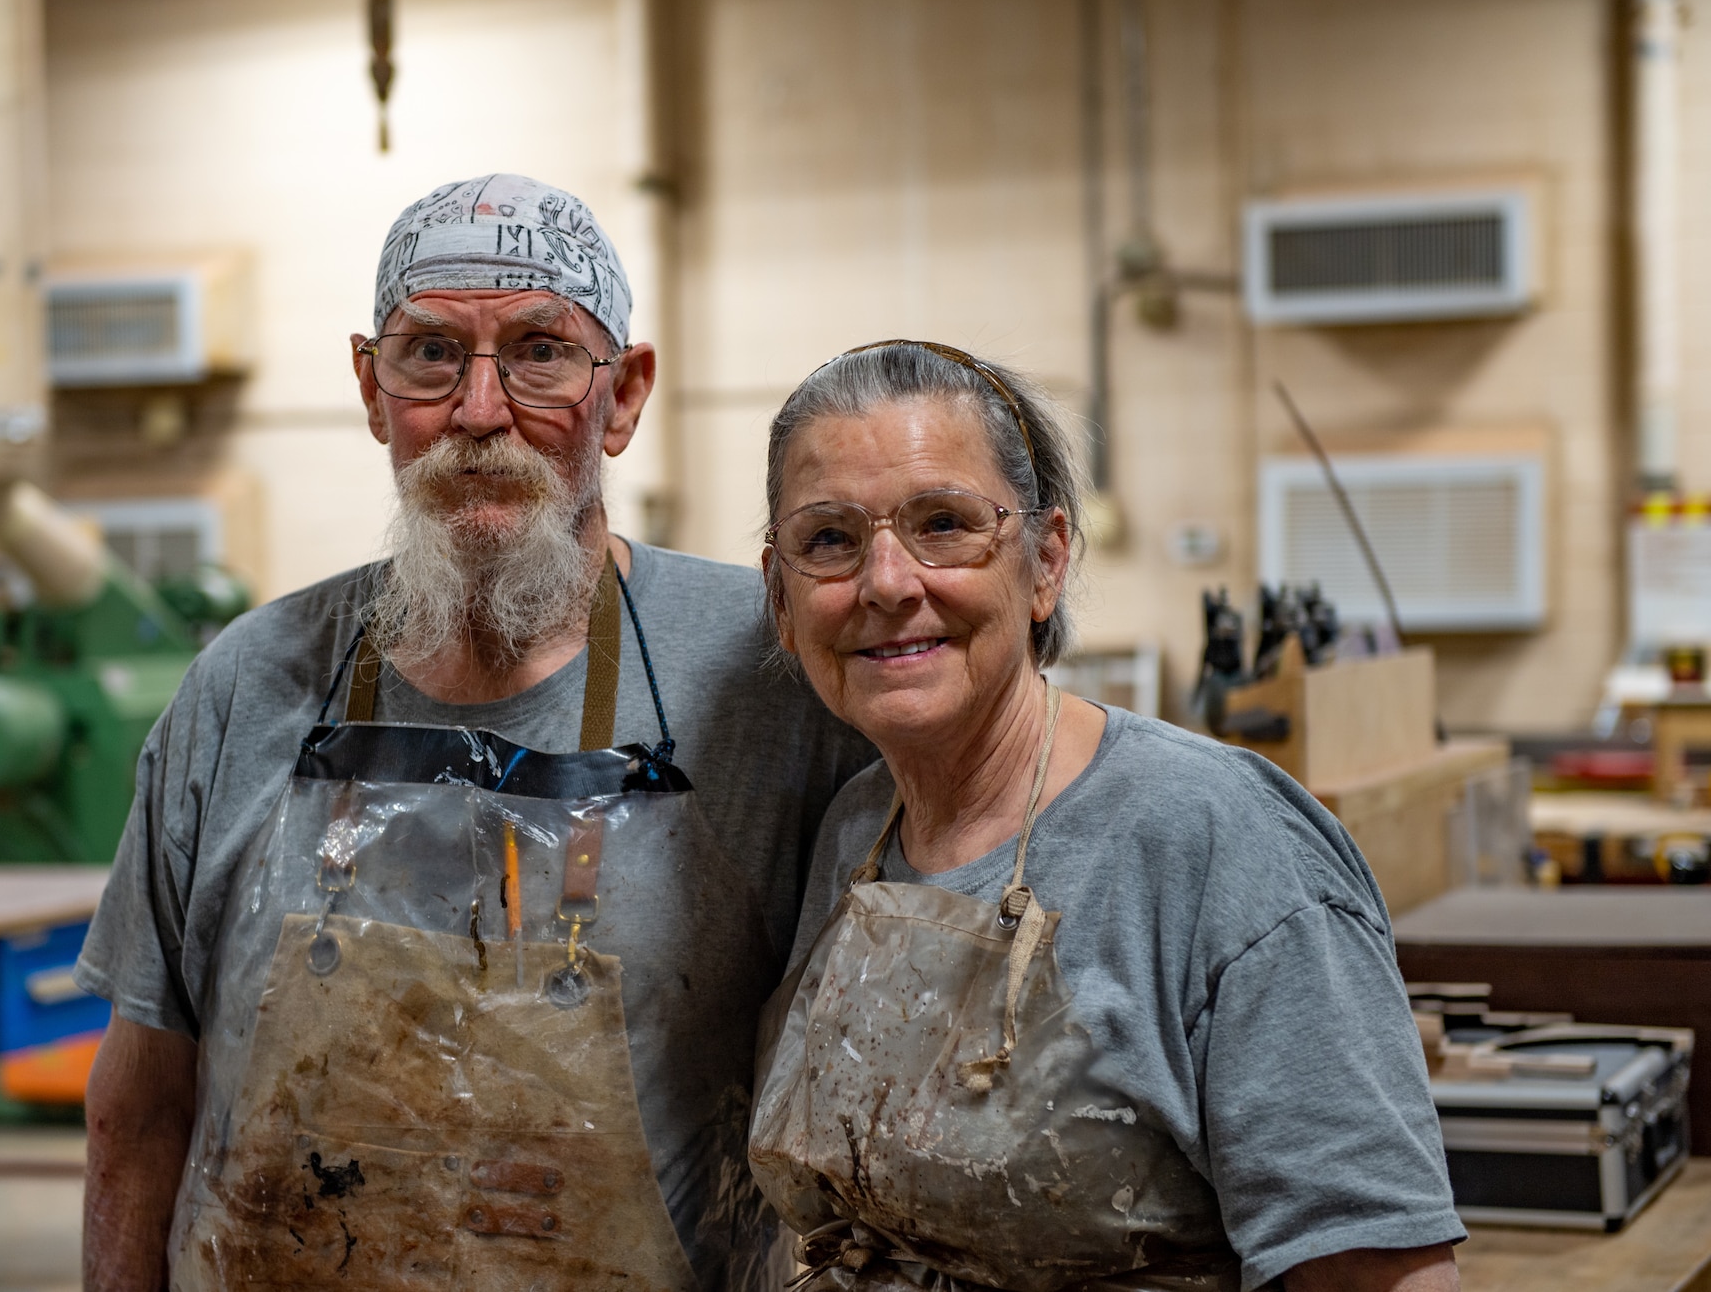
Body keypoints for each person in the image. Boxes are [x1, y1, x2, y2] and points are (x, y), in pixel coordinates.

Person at [74, 174, 872, 1291]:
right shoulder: (246, 684)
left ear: (625, 394)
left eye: (541, 352)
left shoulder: (767, 674)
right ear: (369, 387)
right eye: (430, 355)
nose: (480, 411)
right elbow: (138, 1111)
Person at [747, 341, 1465, 1292]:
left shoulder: (1219, 840)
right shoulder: (855, 832)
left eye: (944, 523)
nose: (887, 581)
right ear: (781, 598)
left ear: (1045, 562)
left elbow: (1380, 1272)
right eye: (830, 540)